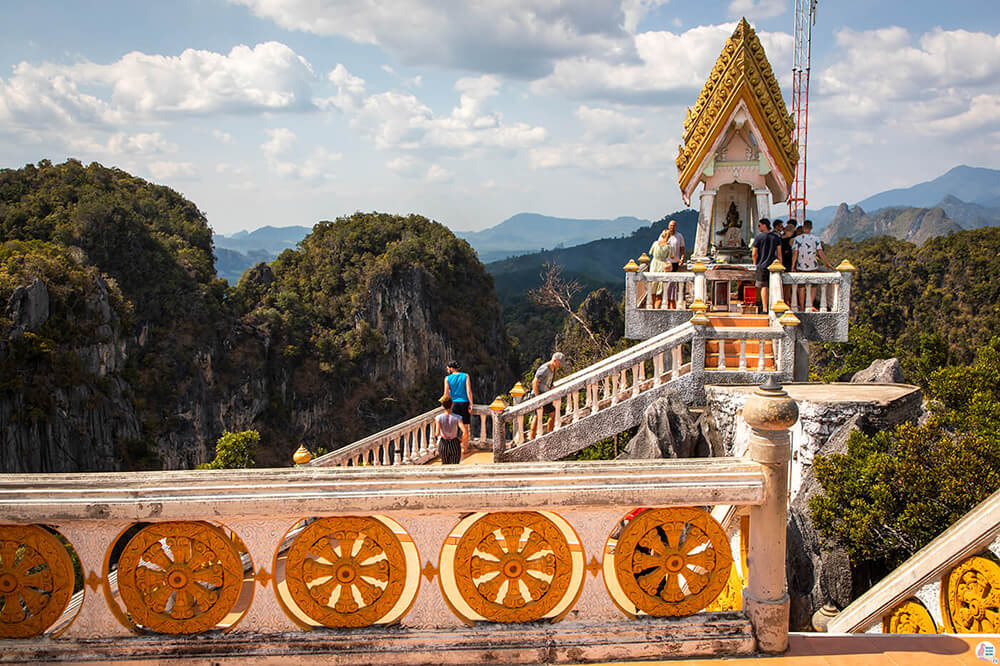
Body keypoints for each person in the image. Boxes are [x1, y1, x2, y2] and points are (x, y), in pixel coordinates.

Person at [791, 220, 833, 311]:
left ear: (803, 228)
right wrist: (827, 263)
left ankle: (802, 307)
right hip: (812, 266)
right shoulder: (816, 239)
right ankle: (809, 305)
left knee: (801, 287)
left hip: (800, 266)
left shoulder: (797, 239)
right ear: (811, 228)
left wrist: (792, 266)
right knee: (813, 286)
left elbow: (795, 253)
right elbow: (820, 253)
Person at [528, 352, 566, 439]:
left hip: (545, 394)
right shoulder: (545, 369)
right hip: (538, 394)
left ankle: (549, 433)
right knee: (538, 416)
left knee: (552, 413)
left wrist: (551, 387)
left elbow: (549, 382)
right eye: (559, 363)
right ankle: (531, 437)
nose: (559, 365)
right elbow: (534, 382)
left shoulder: (553, 369)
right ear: (555, 360)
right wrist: (538, 397)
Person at [442, 361, 473, 453]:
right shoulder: (465, 376)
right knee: (466, 427)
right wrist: (471, 404)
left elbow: (446, 394)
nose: (447, 370)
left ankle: (453, 448)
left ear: (451, 368)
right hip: (464, 403)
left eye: (448, 368)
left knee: (453, 427)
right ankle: (465, 448)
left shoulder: (447, 379)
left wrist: (445, 407)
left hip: (453, 404)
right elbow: (469, 391)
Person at [751, 218, 781, 312]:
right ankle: (774, 305)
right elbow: (779, 253)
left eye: (759, 225)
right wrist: (781, 265)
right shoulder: (776, 237)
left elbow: (754, 253)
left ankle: (764, 308)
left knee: (763, 287)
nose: (759, 227)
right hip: (773, 266)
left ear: (764, 225)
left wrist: (755, 263)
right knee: (774, 286)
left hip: (762, 265)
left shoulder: (759, 237)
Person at [648, 228, 673, 309]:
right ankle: (656, 308)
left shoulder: (655, 244)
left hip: (654, 265)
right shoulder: (669, 246)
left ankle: (651, 307)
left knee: (653, 287)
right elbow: (671, 256)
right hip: (662, 265)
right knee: (660, 290)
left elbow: (650, 252)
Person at [434, 397, 462, 464]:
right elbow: (465, 431)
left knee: (444, 465)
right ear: (452, 404)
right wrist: (461, 439)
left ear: (442, 405)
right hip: (454, 443)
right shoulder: (457, 417)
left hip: (443, 443)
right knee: (455, 465)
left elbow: (437, 433)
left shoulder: (438, 418)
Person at [665, 219, 686, 309]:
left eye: (673, 226)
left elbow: (682, 249)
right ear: (668, 226)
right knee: (667, 283)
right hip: (666, 262)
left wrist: (682, 258)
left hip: (675, 263)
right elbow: (660, 246)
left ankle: (673, 302)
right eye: (670, 226)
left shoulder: (679, 236)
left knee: (673, 284)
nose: (672, 227)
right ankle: (667, 302)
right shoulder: (665, 235)